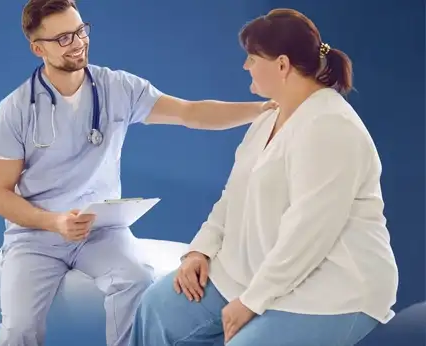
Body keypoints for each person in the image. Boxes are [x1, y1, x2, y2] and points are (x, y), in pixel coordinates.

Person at [0, 1, 276, 345]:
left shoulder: (117, 87)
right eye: (63, 38)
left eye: (80, 31)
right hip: (36, 238)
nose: (78, 43)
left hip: (101, 231)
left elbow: (189, 112)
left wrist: (263, 109)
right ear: (38, 48)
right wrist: (54, 222)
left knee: (136, 279)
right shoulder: (16, 109)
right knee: (19, 328)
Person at [128, 8, 399, 346]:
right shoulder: (267, 119)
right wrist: (201, 251)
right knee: (157, 306)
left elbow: (309, 232)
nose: (245, 66)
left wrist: (252, 301)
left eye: (252, 58)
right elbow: (232, 197)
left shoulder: (331, 127)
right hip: (253, 273)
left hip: (333, 290)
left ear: (282, 65)